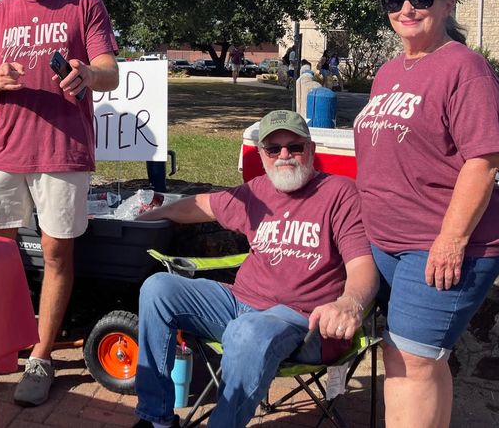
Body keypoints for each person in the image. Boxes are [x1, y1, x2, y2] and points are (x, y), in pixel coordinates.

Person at [132, 110, 378, 428]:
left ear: (312, 149)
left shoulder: (339, 194)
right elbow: (200, 205)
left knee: (245, 331)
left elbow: (362, 265)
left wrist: (350, 302)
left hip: (302, 322)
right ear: (261, 154)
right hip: (240, 303)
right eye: (273, 149)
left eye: (295, 146)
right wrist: (146, 217)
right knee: (158, 288)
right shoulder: (256, 191)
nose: (284, 156)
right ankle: (156, 420)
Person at [0, 0, 120, 407]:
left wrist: (86, 74)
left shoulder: (84, 2)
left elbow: (109, 71)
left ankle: (41, 355)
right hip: (7, 149)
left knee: (57, 255)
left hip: (62, 149)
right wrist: (0, 80)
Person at [356, 0, 499, 427]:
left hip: (440, 243)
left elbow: (484, 161)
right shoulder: (388, 72)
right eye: (394, 0)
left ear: (445, 3)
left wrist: (451, 239)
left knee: (408, 362)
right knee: (426, 362)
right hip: (389, 244)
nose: (406, 9)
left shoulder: (466, 68)